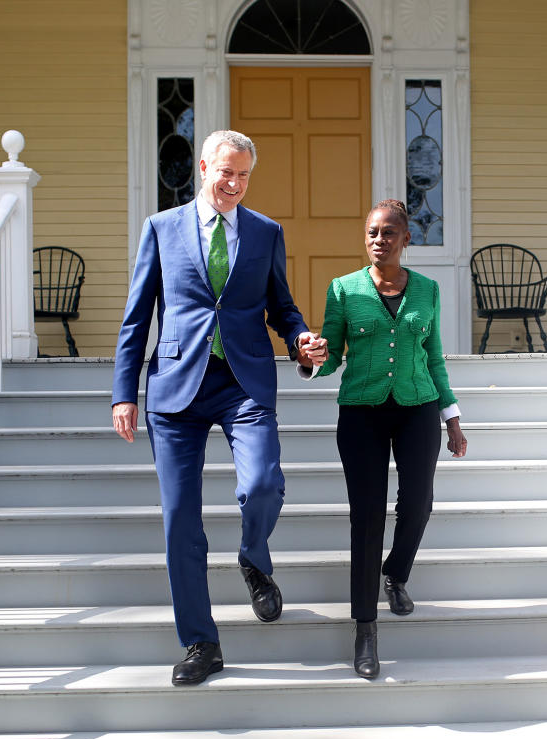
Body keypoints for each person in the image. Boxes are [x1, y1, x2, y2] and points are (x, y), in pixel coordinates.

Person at [111, 130, 328, 686]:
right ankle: (200, 643)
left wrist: (301, 339)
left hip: (243, 381)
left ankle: (253, 557)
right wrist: (123, 392)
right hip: (175, 386)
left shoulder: (265, 232)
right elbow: (138, 316)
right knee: (180, 519)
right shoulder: (161, 229)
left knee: (262, 485)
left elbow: (282, 307)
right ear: (203, 167)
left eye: (244, 175)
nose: (234, 184)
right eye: (225, 172)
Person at [304, 198, 467, 679]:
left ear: (405, 238)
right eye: (373, 232)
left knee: (418, 504)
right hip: (361, 412)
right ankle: (365, 627)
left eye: (389, 232)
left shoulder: (428, 290)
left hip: (417, 407)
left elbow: (433, 356)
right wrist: (313, 359)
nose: (380, 240)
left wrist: (451, 415)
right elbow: (332, 355)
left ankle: (395, 574)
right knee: (367, 516)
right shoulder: (343, 290)